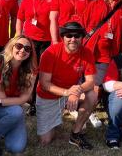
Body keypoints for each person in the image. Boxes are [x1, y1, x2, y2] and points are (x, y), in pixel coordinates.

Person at [81, 0, 122, 128]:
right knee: (95, 86)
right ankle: (87, 113)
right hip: (95, 53)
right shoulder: (95, 4)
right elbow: (84, 25)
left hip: (113, 54)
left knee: (106, 85)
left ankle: (95, 109)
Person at [36, 21, 96, 149]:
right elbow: (44, 84)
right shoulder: (50, 53)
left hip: (70, 93)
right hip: (48, 96)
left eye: (77, 36)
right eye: (69, 35)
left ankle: (76, 134)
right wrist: (67, 92)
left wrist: (76, 92)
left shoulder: (87, 53)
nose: (73, 39)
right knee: (46, 140)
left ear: (81, 38)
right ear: (62, 37)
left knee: (92, 95)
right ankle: (55, 118)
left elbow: (91, 82)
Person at [0, 35, 38, 156]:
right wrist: (17, 101)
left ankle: (3, 128)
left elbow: (25, 98)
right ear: (11, 46)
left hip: (0, 105)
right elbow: (3, 97)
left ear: (30, 53)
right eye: (19, 46)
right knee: (16, 111)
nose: (22, 51)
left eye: (27, 49)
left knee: (16, 147)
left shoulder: (32, 69)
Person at [16, 0, 53, 116]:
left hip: (47, 41)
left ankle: (40, 102)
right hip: (30, 41)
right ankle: (30, 101)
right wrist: (18, 37)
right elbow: (19, 19)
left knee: (43, 72)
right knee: (30, 71)